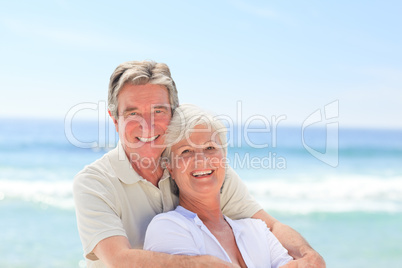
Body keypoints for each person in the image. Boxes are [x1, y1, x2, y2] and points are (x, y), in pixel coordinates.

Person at [73, 60, 325, 268]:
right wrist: (200, 264)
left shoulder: (201, 171)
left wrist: (307, 255)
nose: (147, 126)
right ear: (115, 120)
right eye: (132, 113)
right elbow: (120, 259)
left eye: (158, 111)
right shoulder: (94, 183)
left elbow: (268, 226)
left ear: (174, 113)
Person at [144, 104, 293, 268]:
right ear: (171, 168)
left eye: (210, 147)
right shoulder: (167, 227)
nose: (201, 159)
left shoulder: (258, 230)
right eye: (186, 151)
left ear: (224, 158)